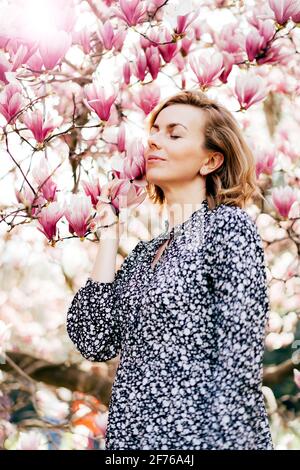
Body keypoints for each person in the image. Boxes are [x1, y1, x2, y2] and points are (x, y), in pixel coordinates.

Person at [66, 90, 274, 450]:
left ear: (210, 161)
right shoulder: (145, 254)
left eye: (174, 134)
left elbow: (239, 354)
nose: (155, 141)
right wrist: (108, 239)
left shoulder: (227, 227)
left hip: (203, 441)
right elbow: (93, 340)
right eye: (155, 131)